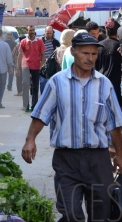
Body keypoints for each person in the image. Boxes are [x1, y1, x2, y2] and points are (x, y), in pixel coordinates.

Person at [21, 32, 122, 222]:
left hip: (98, 160)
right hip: (67, 160)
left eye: (93, 54)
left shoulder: (104, 84)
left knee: (100, 215)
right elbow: (41, 115)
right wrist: (30, 140)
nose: (90, 58)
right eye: (85, 53)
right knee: (71, 214)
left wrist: (120, 153)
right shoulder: (57, 83)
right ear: (73, 52)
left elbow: (115, 124)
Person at [17, 26, 45, 112]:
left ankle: (34, 106)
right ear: (27, 31)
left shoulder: (39, 41)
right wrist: (18, 68)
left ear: (34, 31)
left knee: (35, 86)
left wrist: (41, 66)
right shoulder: (23, 41)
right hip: (26, 65)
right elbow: (20, 55)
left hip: (36, 66)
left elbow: (43, 55)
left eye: (33, 30)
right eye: (30, 30)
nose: (31, 32)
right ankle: (25, 105)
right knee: (25, 84)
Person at [95, 18, 122, 109]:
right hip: (115, 85)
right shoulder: (119, 46)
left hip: (100, 84)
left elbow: (96, 66)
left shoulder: (99, 45)